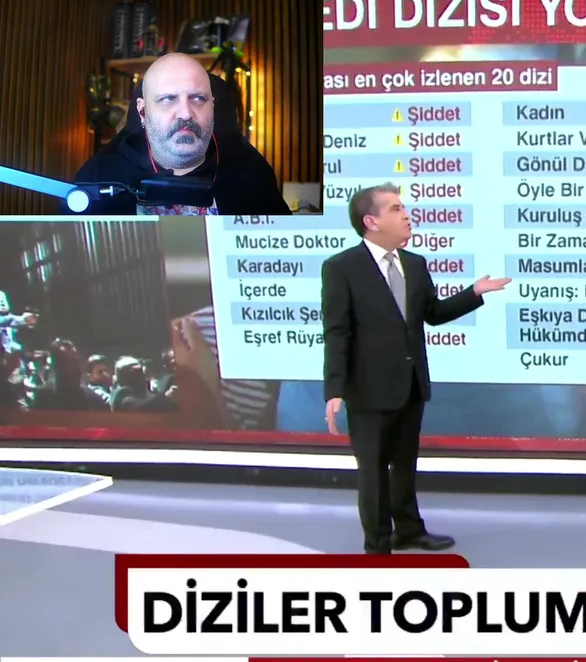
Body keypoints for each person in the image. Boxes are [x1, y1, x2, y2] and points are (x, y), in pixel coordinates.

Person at [321, 183, 510, 555]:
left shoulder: (415, 264)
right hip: (369, 390)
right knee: (374, 471)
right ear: (371, 221)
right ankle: (378, 545)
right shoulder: (341, 268)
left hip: (411, 385)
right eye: (395, 209)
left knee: (405, 465)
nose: (406, 215)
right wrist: (335, 389)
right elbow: (337, 332)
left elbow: (432, 314)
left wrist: (474, 292)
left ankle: (409, 530)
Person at [69, 53, 290, 216]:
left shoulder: (252, 173)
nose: (185, 113)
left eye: (198, 98)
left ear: (212, 107)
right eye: (168, 99)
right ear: (143, 111)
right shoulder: (98, 178)